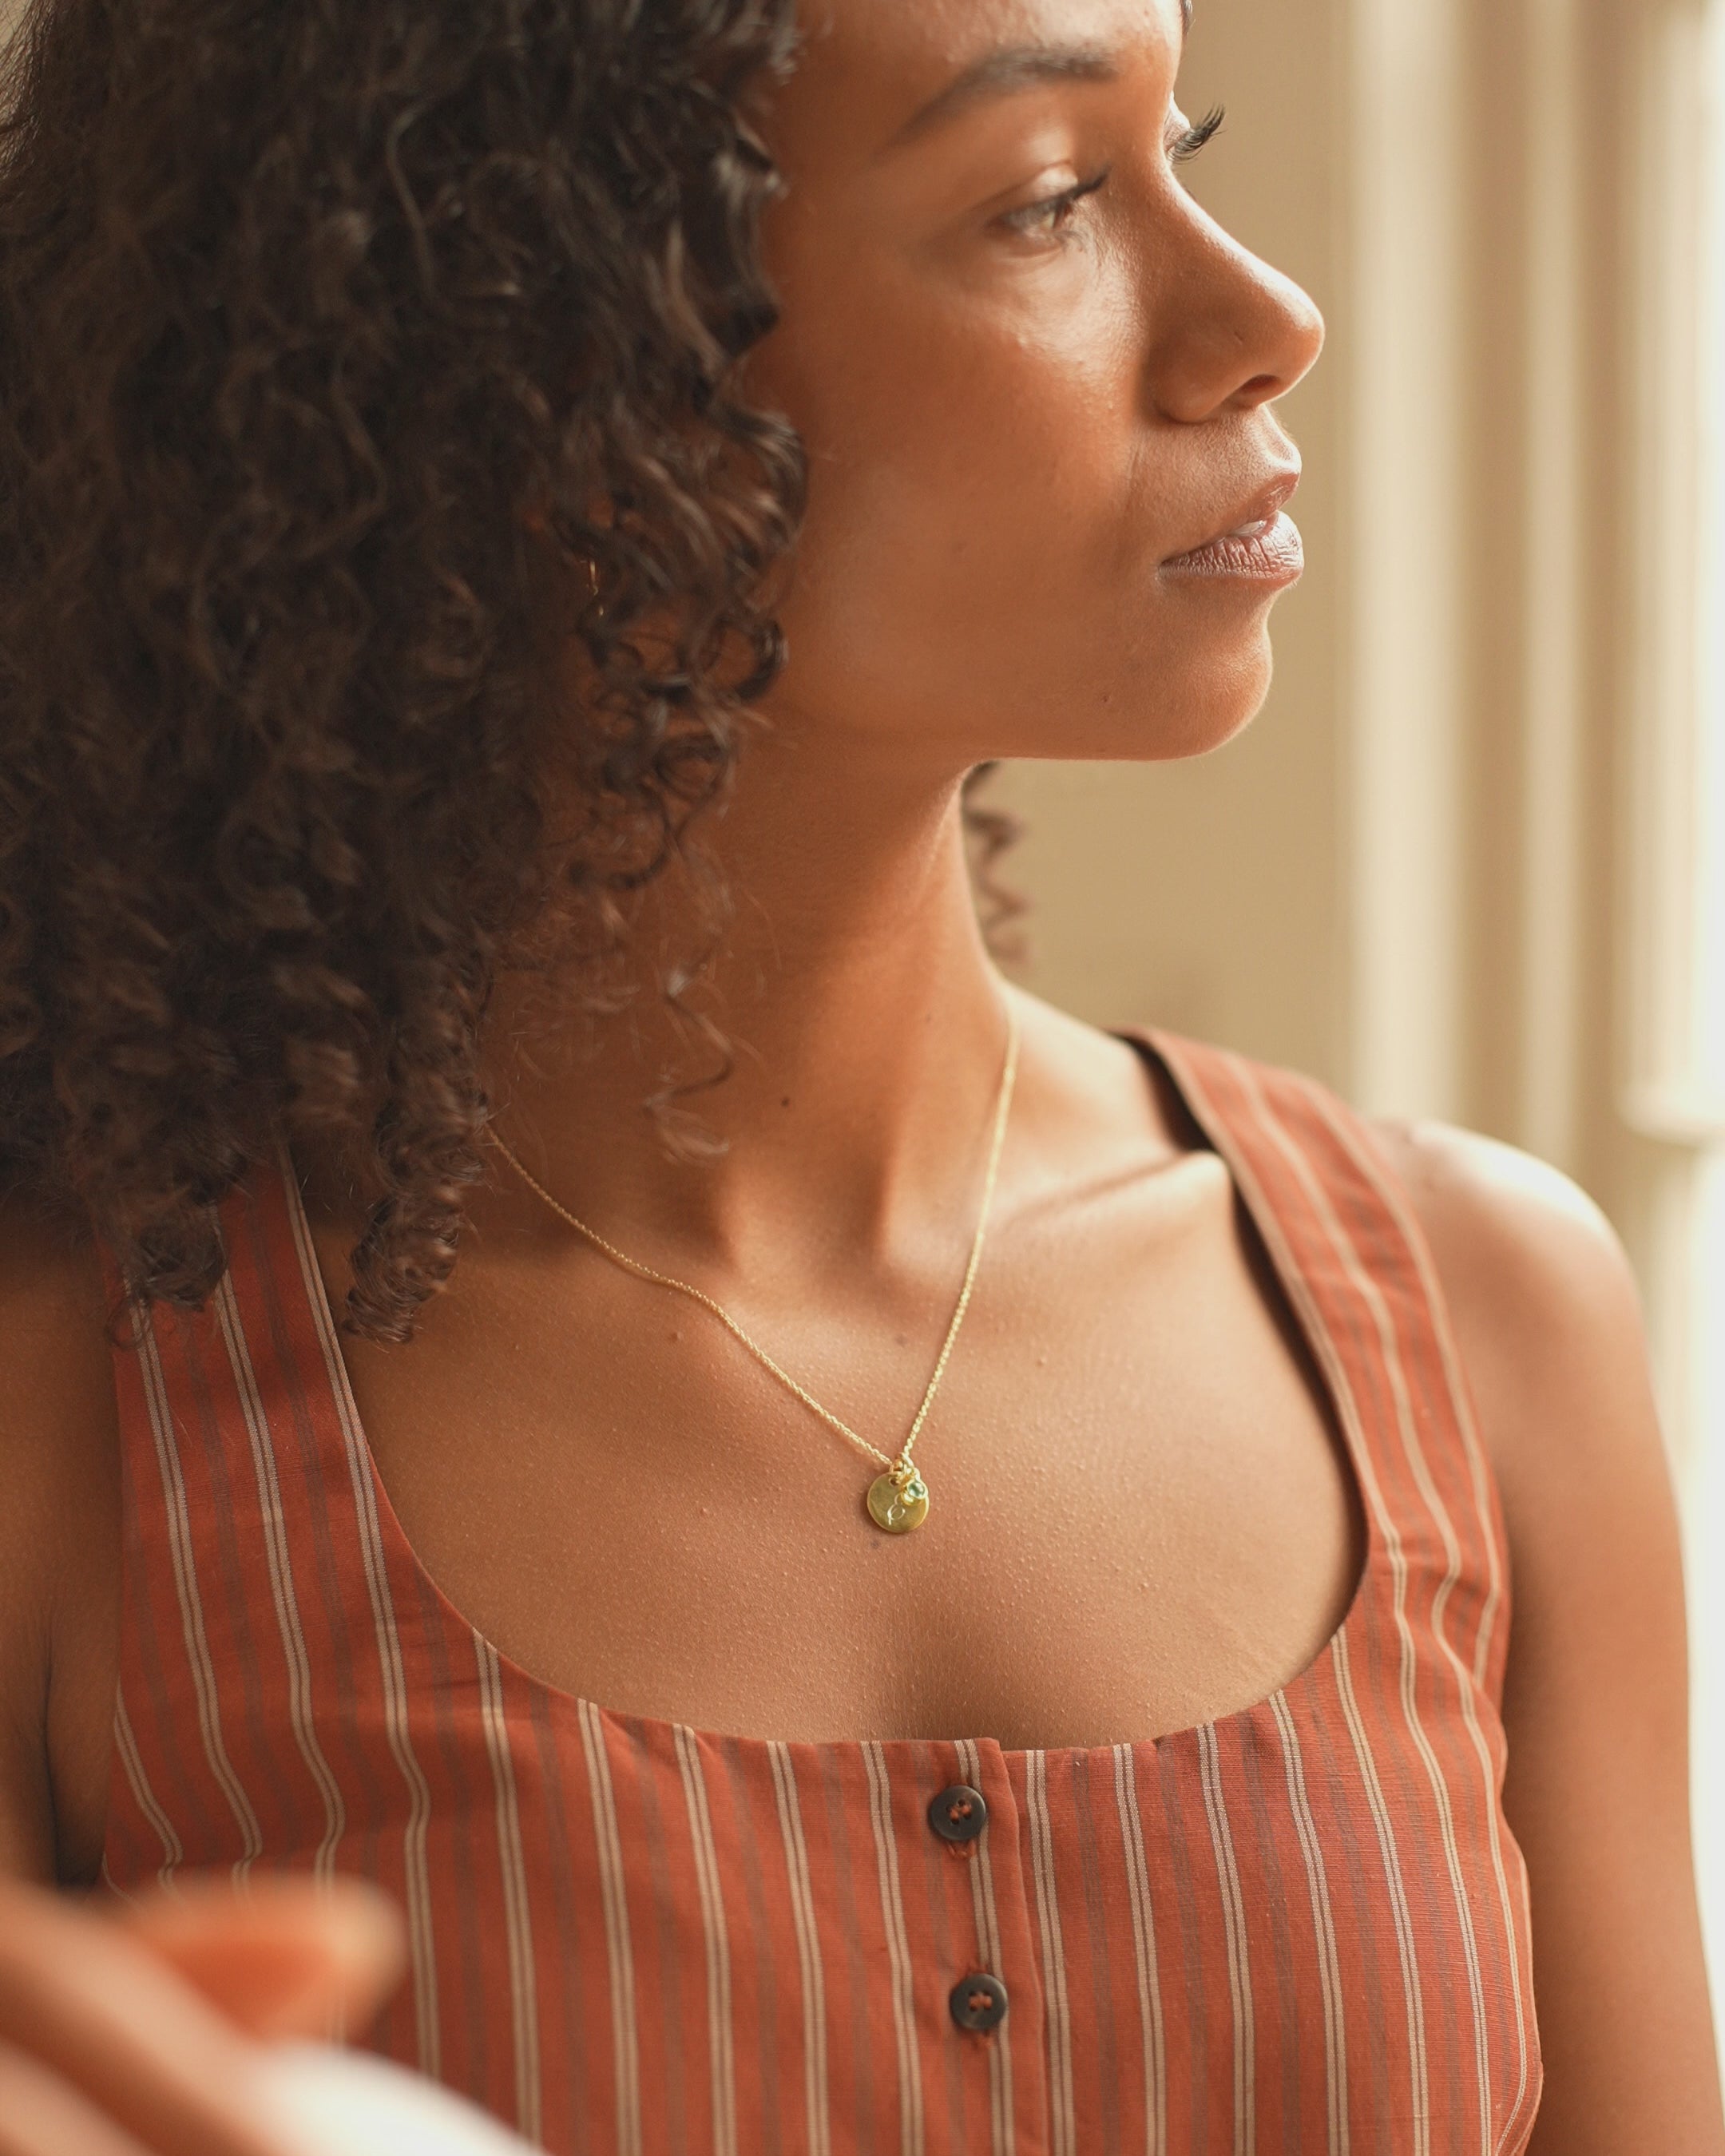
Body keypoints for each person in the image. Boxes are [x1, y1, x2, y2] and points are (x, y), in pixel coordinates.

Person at [0, 0, 1719, 2148]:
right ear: (540, 378)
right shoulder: (71, 1396)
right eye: (1046, 202)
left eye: (1181, 144)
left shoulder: (1487, 1323)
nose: (1266, 316)